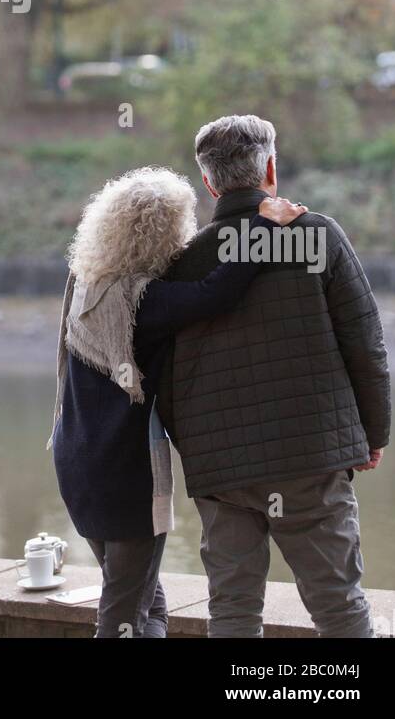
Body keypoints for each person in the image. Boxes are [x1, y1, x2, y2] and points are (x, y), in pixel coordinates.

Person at [157, 114, 391, 638]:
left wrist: (196, 445)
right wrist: (371, 435)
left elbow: (162, 373)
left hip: (222, 469)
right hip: (311, 456)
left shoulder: (184, 260)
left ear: (209, 182)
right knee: (339, 606)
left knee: (233, 610)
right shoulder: (315, 237)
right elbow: (366, 346)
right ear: (270, 167)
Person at [50, 165, 305, 638]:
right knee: (123, 616)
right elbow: (219, 292)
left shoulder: (85, 284)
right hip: (124, 477)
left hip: (75, 464)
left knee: (147, 604)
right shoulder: (144, 302)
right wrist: (264, 226)